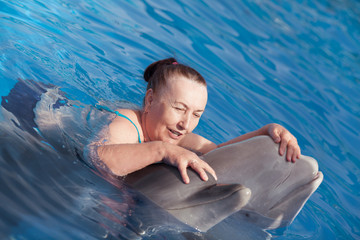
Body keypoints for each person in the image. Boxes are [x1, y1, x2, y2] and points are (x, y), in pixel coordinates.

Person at [96, 58, 300, 184]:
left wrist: (265, 132)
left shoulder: (180, 139)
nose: (185, 124)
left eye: (196, 115)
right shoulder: (126, 123)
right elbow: (98, 157)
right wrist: (163, 150)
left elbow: (220, 153)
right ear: (150, 100)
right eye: (179, 109)